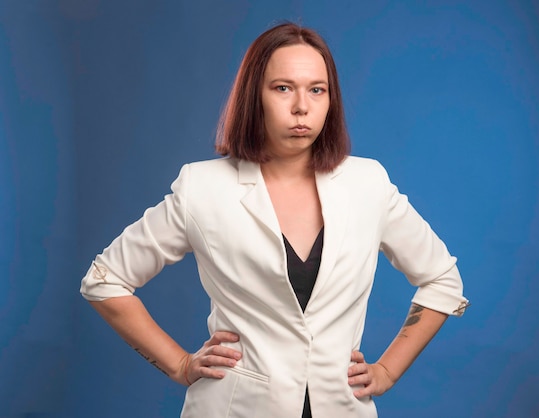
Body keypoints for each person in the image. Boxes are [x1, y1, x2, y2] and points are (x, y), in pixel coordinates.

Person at [80, 22, 469, 418]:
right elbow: (105, 280)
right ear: (255, 97)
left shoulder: (368, 183)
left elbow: (441, 278)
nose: (302, 106)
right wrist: (179, 364)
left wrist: (388, 369)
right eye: (283, 88)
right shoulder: (203, 187)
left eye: (316, 90)